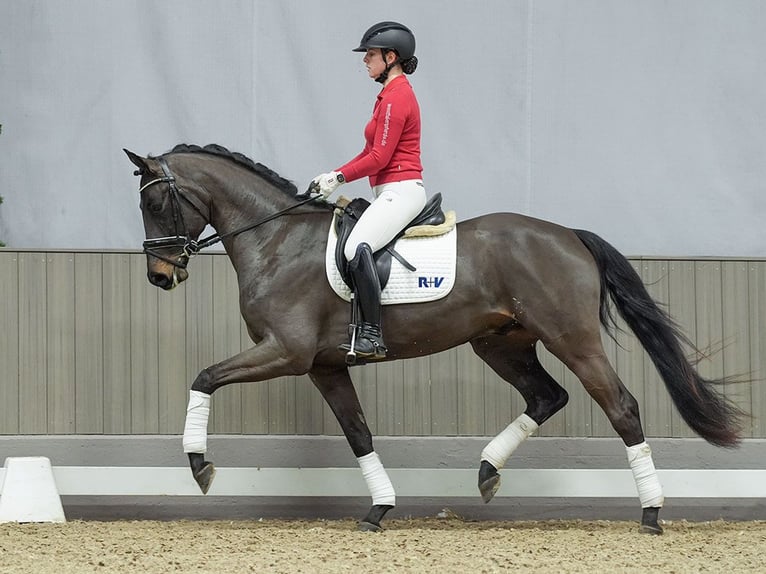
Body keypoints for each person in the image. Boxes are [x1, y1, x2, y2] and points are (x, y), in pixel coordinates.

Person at [308, 21, 426, 360]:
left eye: (371, 55)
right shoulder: (387, 95)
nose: (366, 60)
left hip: (401, 189)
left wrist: (340, 179)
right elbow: (368, 152)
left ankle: (372, 335)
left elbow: (379, 158)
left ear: (391, 57)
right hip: (390, 190)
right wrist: (333, 175)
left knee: (356, 248)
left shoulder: (397, 96)